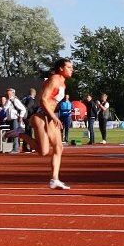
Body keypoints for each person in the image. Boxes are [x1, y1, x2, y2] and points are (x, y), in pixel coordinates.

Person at [30, 59, 74, 190]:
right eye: (69, 67)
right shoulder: (54, 79)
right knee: (43, 151)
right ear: (61, 68)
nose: (72, 70)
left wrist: (54, 116)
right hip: (41, 115)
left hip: (51, 116)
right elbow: (43, 99)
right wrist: (54, 116)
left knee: (59, 147)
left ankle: (55, 179)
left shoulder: (63, 82)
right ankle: (19, 133)